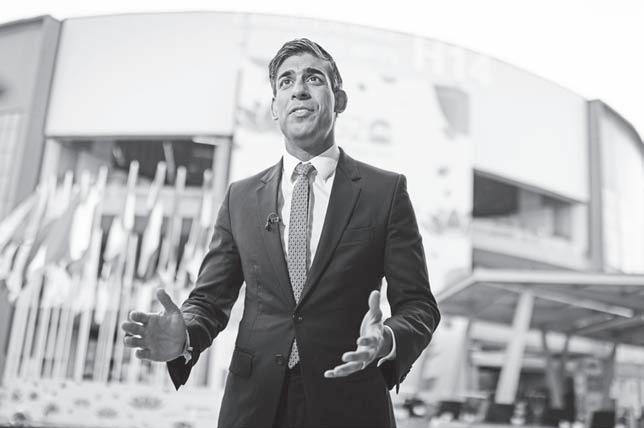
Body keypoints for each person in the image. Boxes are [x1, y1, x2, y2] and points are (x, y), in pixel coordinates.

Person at [121, 38, 440, 428]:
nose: (299, 89)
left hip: (351, 402)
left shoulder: (385, 193)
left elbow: (419, 306)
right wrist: (185, 334)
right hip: (254, 405)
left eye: (313, 78)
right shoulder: (240, 198)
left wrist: (387, 339)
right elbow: (209, 300)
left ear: (339, 100)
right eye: (286, 82)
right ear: (275, 107)